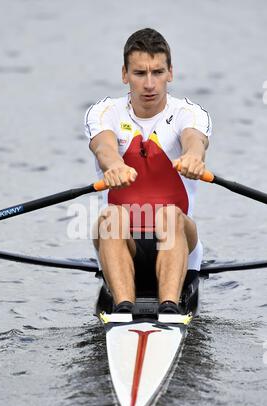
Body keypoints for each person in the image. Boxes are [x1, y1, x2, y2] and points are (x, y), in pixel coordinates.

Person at [84, 28, 211, 314]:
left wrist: (193, 158)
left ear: (171, 73)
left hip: (178, 240)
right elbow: (103, 147)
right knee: (111, 216)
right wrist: (114, 166)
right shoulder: (104, 112)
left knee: (168, 215)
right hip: (122, 242)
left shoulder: (188, 113)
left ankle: (169, 308)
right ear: (124, 74)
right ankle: (123, 308)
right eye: (140, 73)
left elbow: (194, 140)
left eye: (157, 72)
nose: (149, 83)